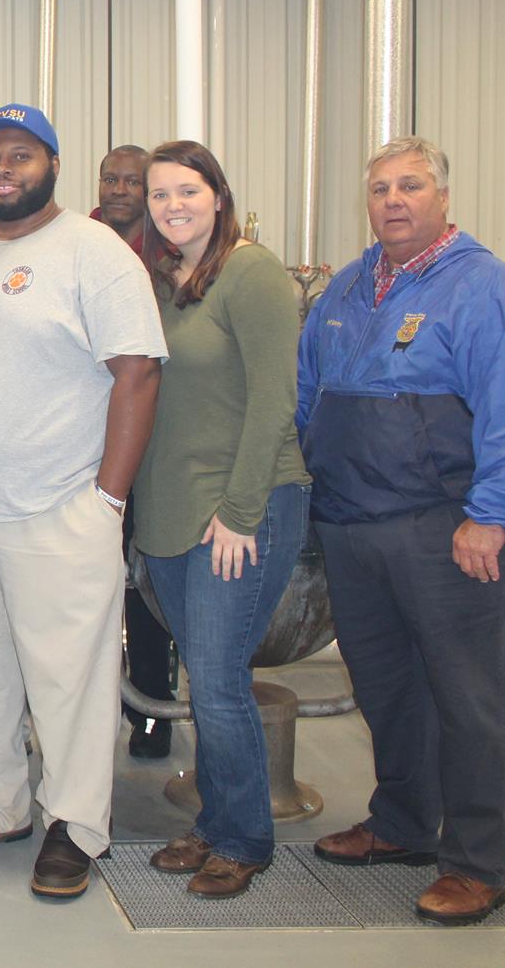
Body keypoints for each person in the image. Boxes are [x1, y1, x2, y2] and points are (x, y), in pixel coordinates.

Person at [299, 137, 505, 927]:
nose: (393, 200)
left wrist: (495, 516)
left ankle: (479, 862)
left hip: (450, 531)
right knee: (387, 691)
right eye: (380, 187)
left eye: (410, 185)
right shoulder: (347, 292)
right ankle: (404, 825)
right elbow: (311, 396)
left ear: (442, 196)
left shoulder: (487, 292)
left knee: (471, 698)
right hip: (355, 526)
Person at [0, 104, 165, 900]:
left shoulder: (95, 253)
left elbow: (138, 372)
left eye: (19, 156)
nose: (2, 170)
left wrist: (108, 499)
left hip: (60, 506)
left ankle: (75, 825)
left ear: (53, 166)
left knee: (67, 677)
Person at [132, 141, 310, 899]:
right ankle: (214, 822)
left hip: (241, 509)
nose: (173, 205)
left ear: (218, 194)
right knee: (205, 679)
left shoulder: (253, 273)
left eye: (187, 191)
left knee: (215, 679)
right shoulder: (171, 283)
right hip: (172, 515)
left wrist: (241, 513)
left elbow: (276, 400)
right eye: (160, 195)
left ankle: (243, 839)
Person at [88, 143, 177, 760]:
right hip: (85, 444)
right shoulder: (75, 240)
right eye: (110, 179)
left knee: (146, 590)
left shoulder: (172, 256)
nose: (120, 189)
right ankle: (87, 720)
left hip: (155, 447)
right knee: (90, 590)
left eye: (132, 181)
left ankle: (150, 709)